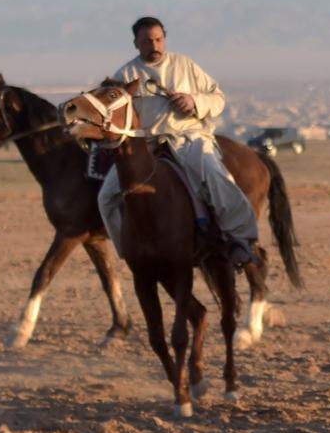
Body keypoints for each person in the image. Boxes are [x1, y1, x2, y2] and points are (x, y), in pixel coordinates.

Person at [98, 16, 258, 267]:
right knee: (106, 197)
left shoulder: (185, 65)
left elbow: (217, 97)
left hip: (188, 138)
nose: (154, 45)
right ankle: (129, 252)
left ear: (165, 39)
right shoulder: (126, 74)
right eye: (147, 41)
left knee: (216, 176)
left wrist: (194, 101)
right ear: (136, 44)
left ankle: (240, 240)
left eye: (159, 39)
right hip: (147, 146)